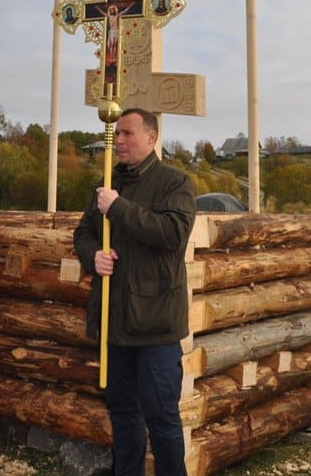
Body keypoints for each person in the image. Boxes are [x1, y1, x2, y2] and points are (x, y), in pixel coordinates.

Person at [74, 108, 196, 476]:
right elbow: (82, 233)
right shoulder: (109, 182)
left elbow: (172, 234)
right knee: (124, 414)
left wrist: (119, 207)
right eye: (118, 134)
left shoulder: (175, 183)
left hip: (156, 325)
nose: (120, 141)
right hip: (115, 322)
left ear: (152, 137)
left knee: (161, 419)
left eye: (127, 133)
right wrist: (92, 256)